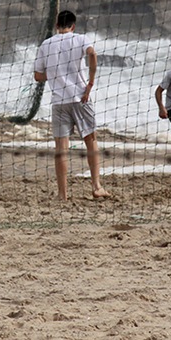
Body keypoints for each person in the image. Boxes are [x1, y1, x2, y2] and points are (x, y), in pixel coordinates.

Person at [33, 10, 110, 201]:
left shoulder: (46, 44)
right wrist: (90, 82)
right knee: (91, 141)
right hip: (81, 98)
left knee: (61, 148)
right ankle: (96, 186)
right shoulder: (80, 38)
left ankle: (62, 194)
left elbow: (37, 76)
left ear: (56, 26)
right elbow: (92, 54)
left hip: (59, 101)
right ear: (73, 26)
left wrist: (56, 76)